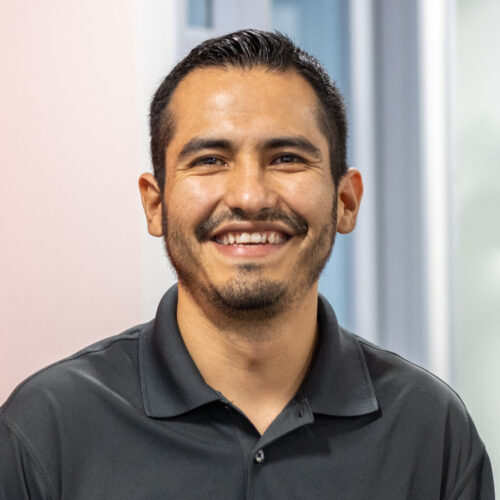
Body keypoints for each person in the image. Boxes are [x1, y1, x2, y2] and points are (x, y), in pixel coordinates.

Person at [0, 29, 494, 499]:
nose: (250, 197)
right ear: (155, 204)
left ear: (346, 201)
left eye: (286, 158)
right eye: (210, 160)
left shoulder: (431, 432)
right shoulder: (47, 430)